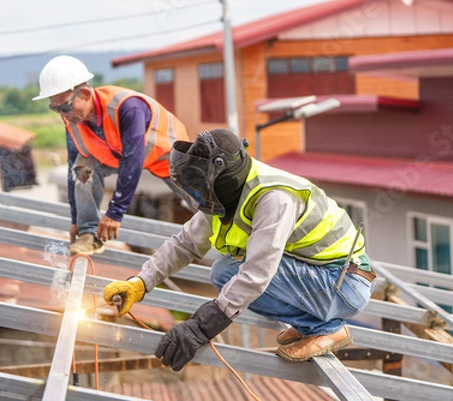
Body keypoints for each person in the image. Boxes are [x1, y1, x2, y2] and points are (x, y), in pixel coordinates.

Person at [103, 128, 376, 371]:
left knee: (228, 273)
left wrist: (200, 327)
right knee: (223, 273)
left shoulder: (274, 199)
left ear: (221, 174)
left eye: (200, 188)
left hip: (344, 283)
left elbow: (256, 275)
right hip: (320, 277)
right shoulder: (224, 195)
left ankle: (326, 329)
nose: (198, 196)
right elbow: (185, 243)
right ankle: (312, 324)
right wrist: (140, 282)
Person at [33, 55, 192, 255]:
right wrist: (77, 220)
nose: (63, 114)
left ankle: (232, 237)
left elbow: (132, 160)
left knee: (204, 203)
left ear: (84, 93)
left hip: (168, 153)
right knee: (83, 166)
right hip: (115, 155)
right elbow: (73, 167)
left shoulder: (127, 107)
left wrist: (115, 213)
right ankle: (89, 234)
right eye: (55, 108)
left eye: (65, 106)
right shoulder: (73, 121)